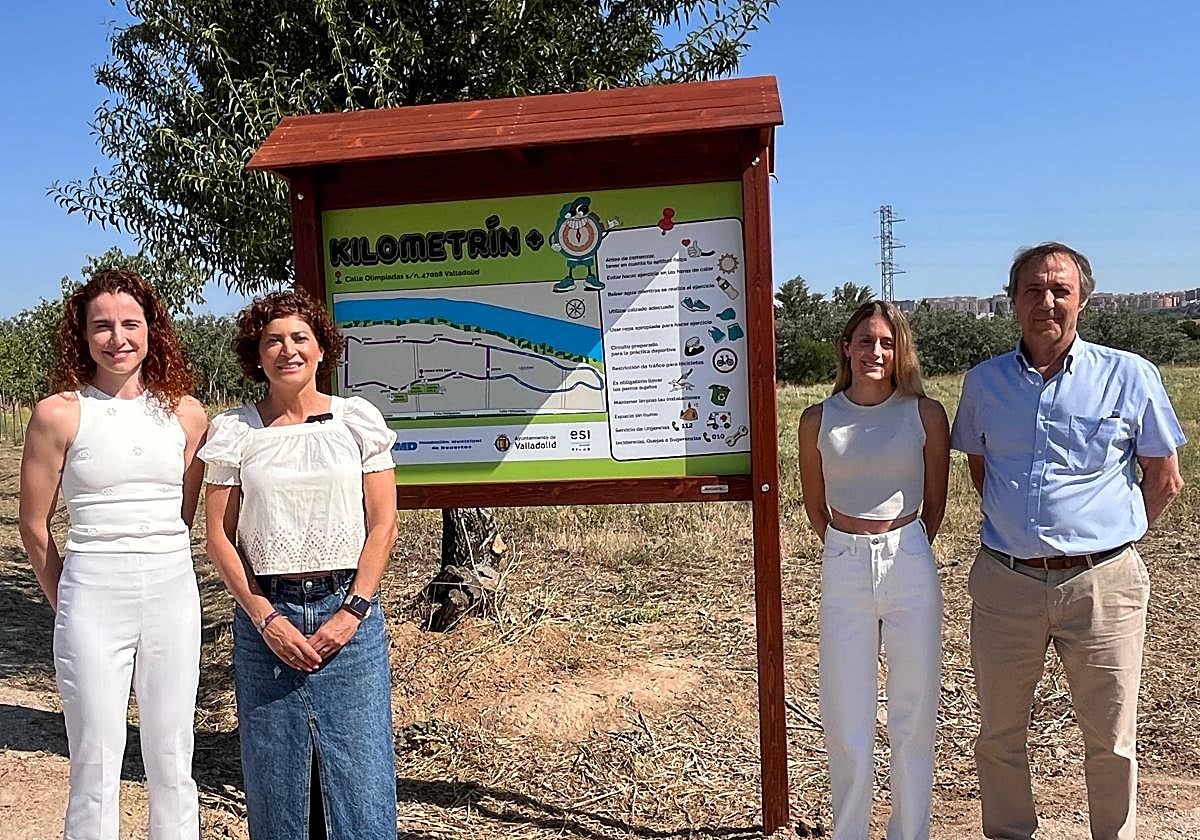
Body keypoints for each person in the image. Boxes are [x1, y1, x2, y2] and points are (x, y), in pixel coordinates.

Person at [950, 242, 1186, 840]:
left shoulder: (1130, 374)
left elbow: (1164, 477)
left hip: (1103, 583)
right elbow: (984, 471)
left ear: (1083, 299)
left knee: (1112, 739)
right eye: (1033, 289)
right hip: (1007, 582)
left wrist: (1107, 542)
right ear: (1012, 301)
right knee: (1000, 733)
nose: (1046, 302)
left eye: (1060, 290)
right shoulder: (984, 384)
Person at [199, 289, 398, 840]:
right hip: (268, 618)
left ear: (319, 347)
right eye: (272, 341)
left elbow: (382, 525)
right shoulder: (235, 431)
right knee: (275, 780)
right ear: (256, 354)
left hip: (348, 615)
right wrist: (265, 617)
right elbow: (218, 535)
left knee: (361, 780)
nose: (287, 350)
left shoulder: (357, 421)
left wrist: (353, 610)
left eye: (298, 337)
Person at [18, 270, 208, 840]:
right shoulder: (59, 413)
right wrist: (70, 600)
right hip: (92, 588)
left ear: (154, 329)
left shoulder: (186, 413)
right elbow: (33, 526)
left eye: (131, 323)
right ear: (82, 334)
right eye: (102, 325)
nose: (117, 338)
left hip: (172, 590)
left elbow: (183, 513)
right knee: (95, 757)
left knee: (173, 755)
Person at [797, 300, 950, 840]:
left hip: (909, 558)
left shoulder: (924, 413)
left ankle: (910, 833)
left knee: (914, 713)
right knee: (845, 715)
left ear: (900, 349)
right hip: (842, 562)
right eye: (865, 341)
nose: (875, 352)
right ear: (846, 346)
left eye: (886, 342)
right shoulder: (817, 419)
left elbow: (935, 503)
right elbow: (815, 507)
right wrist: (851, 547)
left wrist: (901, 545)